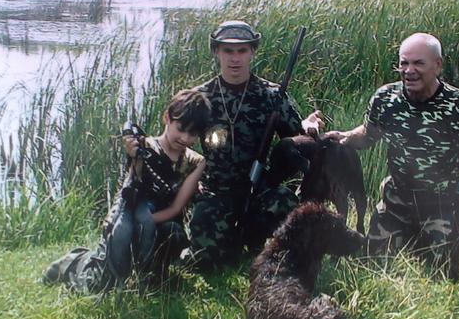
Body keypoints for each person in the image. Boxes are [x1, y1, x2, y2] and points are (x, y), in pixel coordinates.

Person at [126, 20, 323, 270]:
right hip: (215, 192)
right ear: (216, 52)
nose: (235, 58)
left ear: (252, 52)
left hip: (259, 191)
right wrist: (140, 150)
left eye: (242, 50)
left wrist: (308, 127)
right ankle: (227, 241)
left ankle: (258, 241)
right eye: (228, 50)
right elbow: (172, 143)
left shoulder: (273, 96)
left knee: (285, 205)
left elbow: (295, 141)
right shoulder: (201, 97)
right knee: (206, 259)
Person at [330, 33, 459, 266]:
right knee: (373, 262)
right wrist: (344, 137)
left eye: (419, 63)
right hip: (397, 203)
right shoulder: (385, 98)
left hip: (442, 203)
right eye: (404, 63)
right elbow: (368, 134)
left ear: (438, 65)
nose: (409, 70)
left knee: (445, 264)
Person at [43, 89, 211, 292]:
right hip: (129, 214)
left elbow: (176, 209)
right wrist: (134, 157)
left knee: (172, 235)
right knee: (100, 283)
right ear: (167, 118)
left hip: (160, 220)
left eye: (193, 133)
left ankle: (149, 273)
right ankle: (75, 260)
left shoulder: (196, 162)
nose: (185, 138)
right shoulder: (143, 146)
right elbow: (131, 189)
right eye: (181, 128)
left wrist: (146, 223)